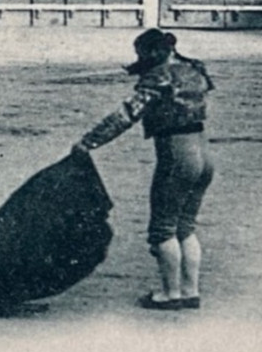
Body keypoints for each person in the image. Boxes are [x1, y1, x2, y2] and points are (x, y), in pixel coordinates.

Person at [73, 29, 215, 311]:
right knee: (185, 226)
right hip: (204, 154)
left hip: (176, 155)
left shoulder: (158, 76)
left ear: (152, 52)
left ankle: (170, 294)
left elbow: (126, 115)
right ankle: (190, 291)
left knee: (163, 228)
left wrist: (89, 141)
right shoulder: (195, 69)